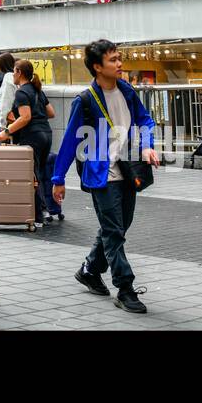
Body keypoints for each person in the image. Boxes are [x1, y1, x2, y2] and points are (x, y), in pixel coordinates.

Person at [52, 40, 161, 314]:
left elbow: (145, 119)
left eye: (119, 58)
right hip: (102, 176)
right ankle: (125, 288)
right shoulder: (86, 100)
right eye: (113, 60)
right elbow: (68, 141)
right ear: (98, 67)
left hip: (127, 171)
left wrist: (147, 144)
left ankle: (90, 269)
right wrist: (58, 178)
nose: (120, 63)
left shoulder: (126, 90)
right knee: (114, 232)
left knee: (119, 227)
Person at [0, 59, 55, 225]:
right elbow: (51, 113)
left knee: (32, 175)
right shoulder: (37, 90)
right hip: (46, 133)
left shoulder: (21, 92)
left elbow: (26, 117)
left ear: (19, 72)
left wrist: (5, 132)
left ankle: (41, 212)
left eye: (14, 72)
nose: (12, 75)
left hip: (32, 137)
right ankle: (46, 209)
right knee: (41, 172)